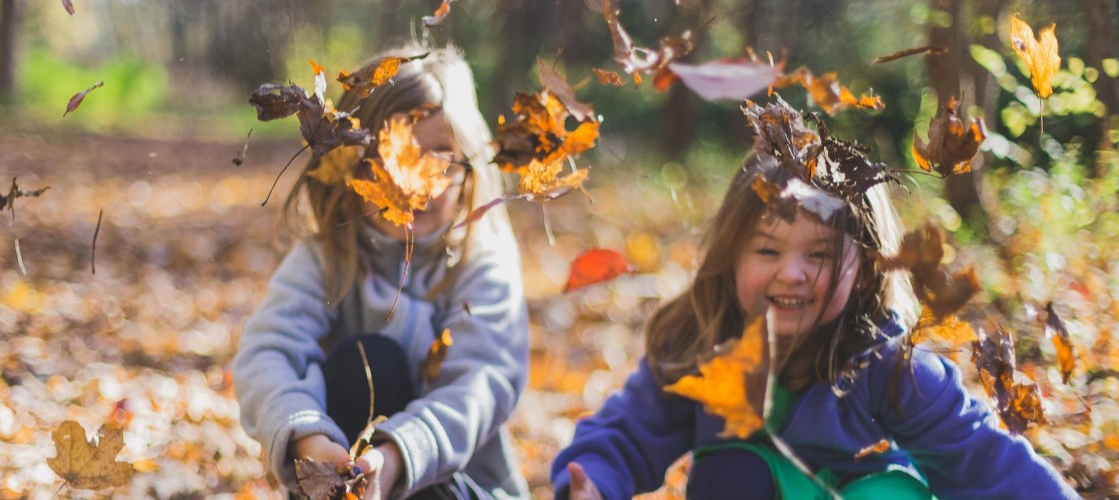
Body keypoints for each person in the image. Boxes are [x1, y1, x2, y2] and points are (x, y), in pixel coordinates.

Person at [551, 151, 1079, 499]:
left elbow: (987, 462)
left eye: (820, 254)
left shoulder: (891, 367)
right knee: (732, 473)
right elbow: (627, 432)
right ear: (731, 255)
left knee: (886, 495)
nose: (792, 272)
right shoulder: (702, 343)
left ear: (867, 266)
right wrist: (593, 483)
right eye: (767, 249)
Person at [235, 44, 530, 499]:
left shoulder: (480, 264)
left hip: (458, 487)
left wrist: (396, 457)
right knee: (366, 361)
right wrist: (310, 438)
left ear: (468, 163)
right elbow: (268, 352)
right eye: (394, 160)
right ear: (353, 165)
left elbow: (480, 385)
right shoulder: (329, 257)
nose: (417, 186)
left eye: (439, 158)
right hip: (347, 473)